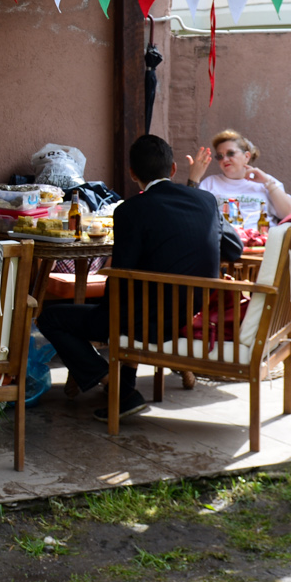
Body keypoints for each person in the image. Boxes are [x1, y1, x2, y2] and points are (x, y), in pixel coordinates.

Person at [35, 134, 237, 420]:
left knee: (50, 318)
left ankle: (114, 384)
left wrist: (104, 315)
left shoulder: (130, 210)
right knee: (135, 305)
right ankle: (125, 389)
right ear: (174, 168)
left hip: (149, 319)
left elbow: (121, 276)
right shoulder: (206, 201)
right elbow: (234, 248)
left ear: (132, 173)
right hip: (192, 312)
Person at [195, 131, 291, 225]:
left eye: (230, 153)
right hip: (222, 242)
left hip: (261, 242)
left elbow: (289, 213)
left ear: (247, 156)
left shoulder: (266, 181)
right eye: (220, 156)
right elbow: (195, 215)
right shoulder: (210, 183)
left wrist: (268, 183)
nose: (225, 159)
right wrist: (194, 178)